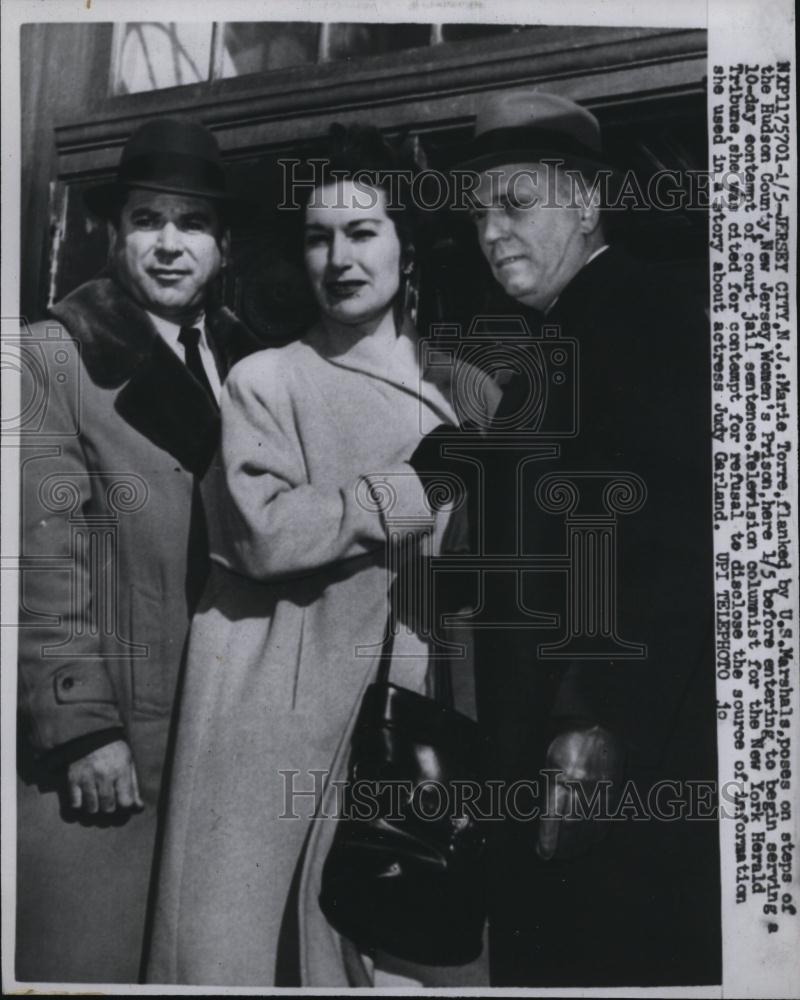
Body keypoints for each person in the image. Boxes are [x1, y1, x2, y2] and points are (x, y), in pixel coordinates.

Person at [145, 124, 497, 988]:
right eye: (317, 235)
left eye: (362, 231)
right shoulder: (269, 379)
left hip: (413, 711)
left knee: (397, 953)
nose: (339, 257)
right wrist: (403, 494)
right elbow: (260, 531)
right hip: (281, 716)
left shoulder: (468, 392)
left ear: (407, 247)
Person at [444, 90, 721, 985]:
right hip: (543, 753)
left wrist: (595, 721)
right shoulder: (546, 344)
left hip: (616, 758)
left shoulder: (650, 309)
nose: (492, 233)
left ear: (588, 203)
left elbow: (681, 536)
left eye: (516, 204)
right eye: (480, 213)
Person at [17, 116, 262, 983]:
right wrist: (83, 728)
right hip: (115, 752)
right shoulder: (54, 354)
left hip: (225, 739)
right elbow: (41, 562)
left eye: (192, 224)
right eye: (146, 221)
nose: (169, 244)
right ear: (113, 235)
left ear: (224, 246)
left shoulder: (253, 363)